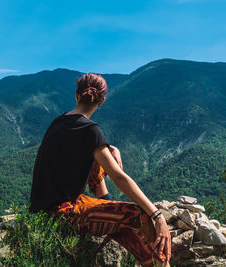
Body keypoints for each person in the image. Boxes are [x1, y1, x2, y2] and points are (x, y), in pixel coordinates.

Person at [29, 73, 171, 267]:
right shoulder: (90, 130)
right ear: (102, 100)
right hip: (65, 213)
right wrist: (157, 215)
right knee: (138, 216)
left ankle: (106, 205)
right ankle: (158, 264)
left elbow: (80, 143)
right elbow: (119, 178)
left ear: (76, 95)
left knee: (97, 160)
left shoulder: (58, 122)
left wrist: (109, 147)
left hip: (44, 209)